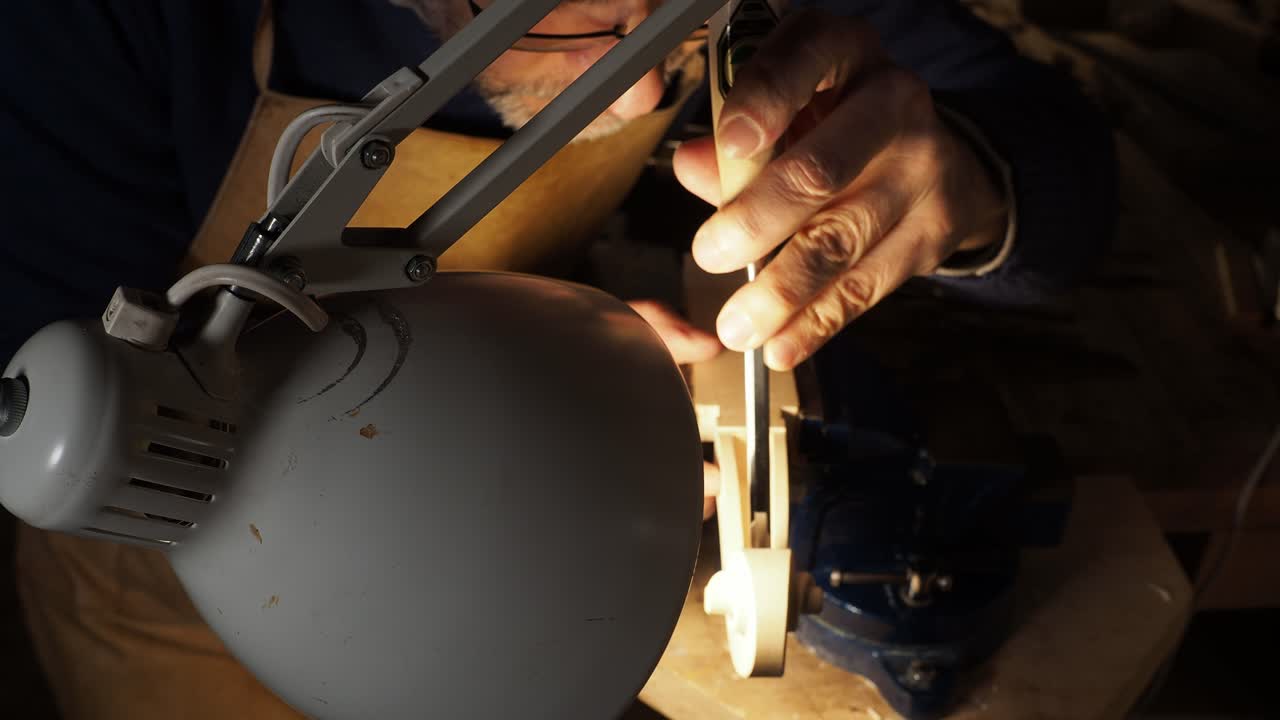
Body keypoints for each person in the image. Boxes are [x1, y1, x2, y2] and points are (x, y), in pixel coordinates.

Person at [0, 1, 1113, 718]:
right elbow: (73, 382)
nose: (634, 99)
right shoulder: (101, 33)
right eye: (560, 28)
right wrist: (491, 387)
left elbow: (1061, 156)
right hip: (170, 604)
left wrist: (958, 175)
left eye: (665, 33)